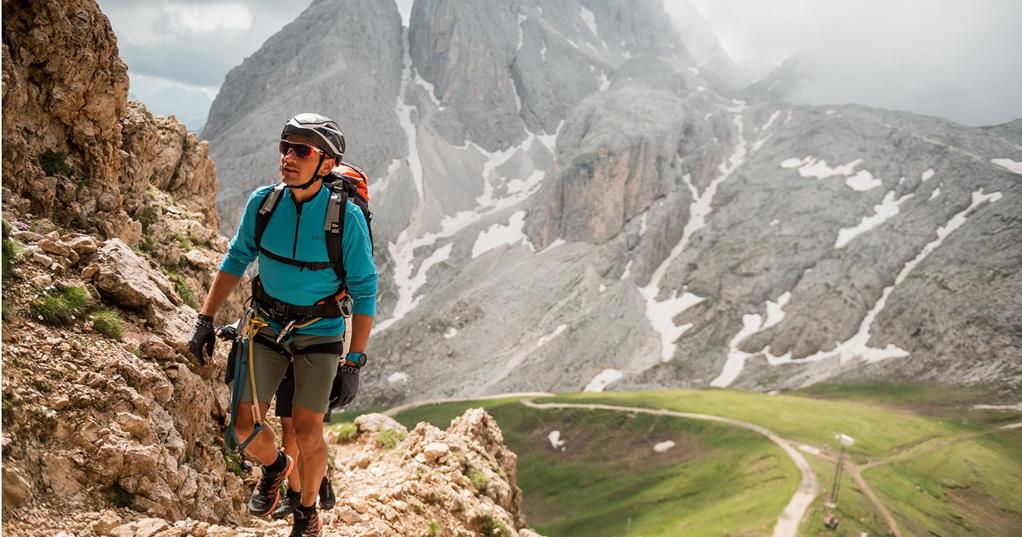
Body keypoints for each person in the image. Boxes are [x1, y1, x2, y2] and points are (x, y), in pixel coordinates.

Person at [189, 113, 377, 537]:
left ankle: (307, 513)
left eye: (302, 151)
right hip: (264, 326)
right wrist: (205, 319)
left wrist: (354, 362)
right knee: (242, 427)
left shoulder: (344, 218)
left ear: (326, 164)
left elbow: (365, 290)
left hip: (319, 333)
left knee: (309, 433)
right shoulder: (264, 203)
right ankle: (276, 467)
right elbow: (236, 259)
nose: (289, 157)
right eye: (285, 147)